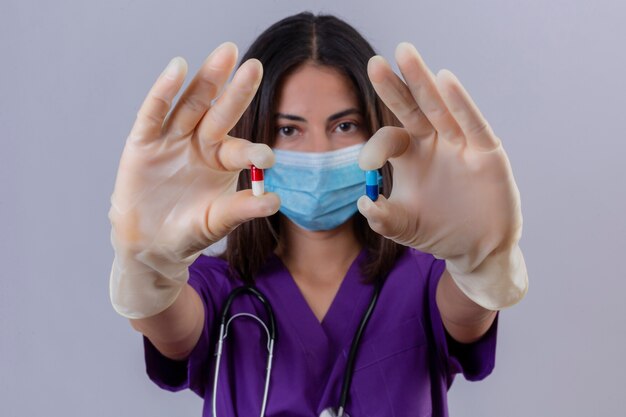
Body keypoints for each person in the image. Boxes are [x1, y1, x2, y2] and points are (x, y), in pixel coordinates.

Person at [108, 12, 528, 417]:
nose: (319, 153)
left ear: (377, 128)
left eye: (344, 126)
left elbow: (469, 310)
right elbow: (166, 322)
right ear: (254, 138)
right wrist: (147, 266)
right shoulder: (218, 292)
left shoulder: (425, 282)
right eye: (288, 129)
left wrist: (483, 259)